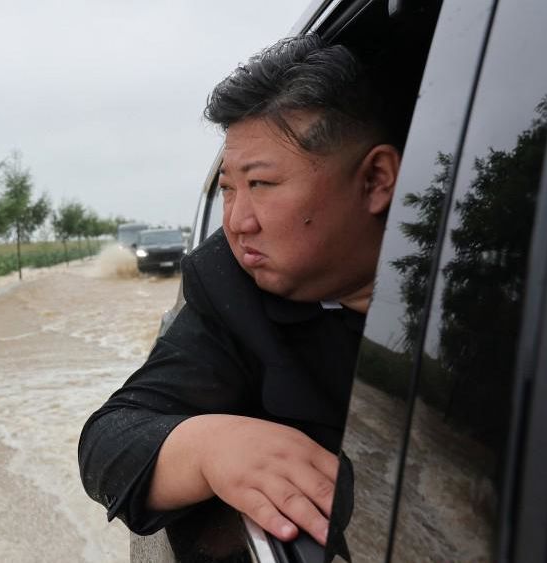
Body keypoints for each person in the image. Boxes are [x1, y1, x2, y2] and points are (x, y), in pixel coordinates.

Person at [78, 34, 403, 553]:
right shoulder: (229, 286)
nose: (235, 222)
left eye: (262, 185)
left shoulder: (489, 295)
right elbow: (109, 443)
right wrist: (208, 448)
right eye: (228, 188)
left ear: (376, 180)